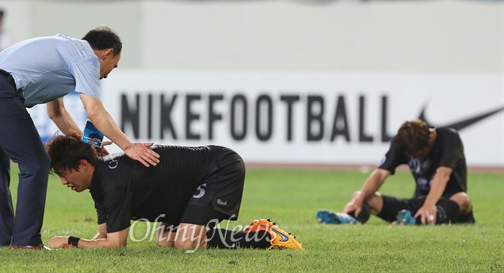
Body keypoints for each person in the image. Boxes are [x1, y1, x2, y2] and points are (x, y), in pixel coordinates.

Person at [0, 25, 160, 249]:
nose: (108, 73)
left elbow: (57, 113)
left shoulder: (65, 52)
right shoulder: (86, 58)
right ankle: (26, 242)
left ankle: (5, 242)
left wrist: (89, 144)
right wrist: (129, 146)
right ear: (107, 53)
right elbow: (94, 111)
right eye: (114, 65)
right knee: (36, 162)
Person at [45, 135, 303, 250]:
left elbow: (115, 244)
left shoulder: (113, 181)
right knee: (166, 240)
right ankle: (248, 235)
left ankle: (264, 237)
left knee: (185, 242)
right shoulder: (100, 181)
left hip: (220, 167)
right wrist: (81, 245)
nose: (64, 181)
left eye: (64, 173)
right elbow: (103, 235)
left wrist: (72, 241)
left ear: (83, 165)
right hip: (189, 186)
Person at [316, 119, 474, 226]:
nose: (416, 158)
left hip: (447, 204)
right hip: (417, 204)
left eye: (418, 154)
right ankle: (350, 219)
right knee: (365, 196)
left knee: (463, 199)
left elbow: (443, 173)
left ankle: (420, 220)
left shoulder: (449, 138)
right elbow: (380, 174)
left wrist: (429, 205)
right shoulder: (401, 142)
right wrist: (359, 198)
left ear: (431, 138)